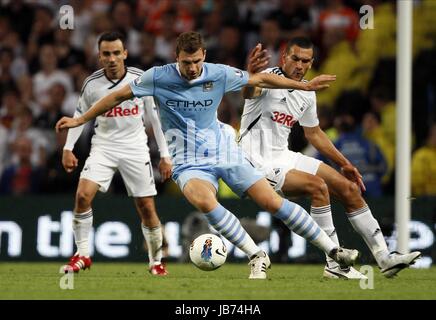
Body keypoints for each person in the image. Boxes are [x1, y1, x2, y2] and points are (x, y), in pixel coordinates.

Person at [56, 31, 359, 280]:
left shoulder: (218, 73)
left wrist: (302, 85)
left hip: (224, 150)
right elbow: (116, 96)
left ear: (203, 57)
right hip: (187, 160)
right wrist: (80, 121)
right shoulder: (157, 77)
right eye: (187, 62)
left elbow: (261, 80)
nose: (192, 68)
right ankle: (257, 255)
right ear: (177, 58)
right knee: (203, 200)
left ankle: (334, 252)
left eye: (197, 62)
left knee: (271, 201)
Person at [240, 36, 421, 278]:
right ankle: (335, 264)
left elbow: (313, 133)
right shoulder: (267, 79)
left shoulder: (307, 93)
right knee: (317, 187)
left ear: (312, 63)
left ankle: (384, 257)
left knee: (349, 188)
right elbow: (249, 90)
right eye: (295, 59)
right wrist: (250, 74)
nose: (300, 65)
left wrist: (345, 163)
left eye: (306, 61)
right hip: (255, 161)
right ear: (284, 57)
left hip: (283, 156)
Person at [60, 31, 172, 276]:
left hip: (135, 148)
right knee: (82, 196)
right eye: (106, 54)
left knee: (146, 207)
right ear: (99, 57)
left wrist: (165, 155)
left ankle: (156, 261)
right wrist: (68, 148)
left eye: (116, 53)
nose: (111, 59)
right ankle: (82, 255)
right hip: (103, 147)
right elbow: (79, 117)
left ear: (125, 54)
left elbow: (155, 118)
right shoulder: (91, 84)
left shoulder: (139, 79)